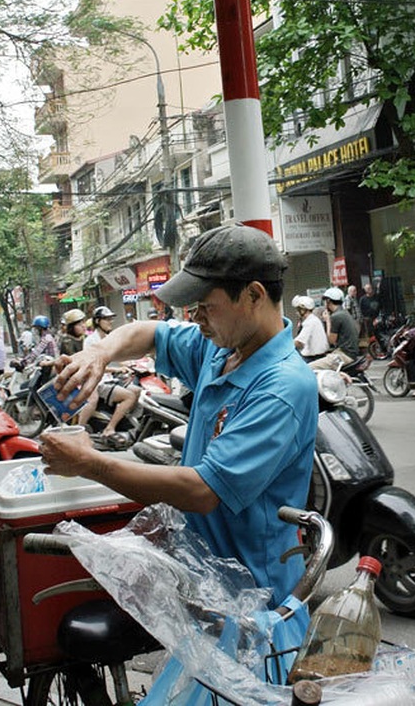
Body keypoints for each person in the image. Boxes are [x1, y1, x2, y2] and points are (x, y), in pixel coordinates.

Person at [41, 223, 318, 611]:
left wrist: (89, 464)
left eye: (206, 306)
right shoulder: (220, 350)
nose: (197, 318)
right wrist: (98, 354)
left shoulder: (282, 386)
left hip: (255, 592)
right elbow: (150, 333)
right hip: (204, 575)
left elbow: (202, 491)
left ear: (253, 295)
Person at [77, 306, 140, 439]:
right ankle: (110, 428)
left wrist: (129, 364)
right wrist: (116, 369)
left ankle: (123, 420)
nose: (110, 322)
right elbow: (94, 365)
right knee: (129, 396)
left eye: (111, 319)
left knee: (137, 390)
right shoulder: (91, 341)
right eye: (106, 319)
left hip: (108, 378)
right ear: (98, 321)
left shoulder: (108, 338)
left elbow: (119, 355)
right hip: (98, 381)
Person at [309, 287, 361, 370]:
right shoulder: (344, 313)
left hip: (343, 355)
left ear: (328, 301)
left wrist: (327, 321)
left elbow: (331, 340)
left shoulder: (336, 316)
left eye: (325, 301)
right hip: (350, 353)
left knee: (310, 367)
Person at [291, 296, 330, 361]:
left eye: (298, 309)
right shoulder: (313, 319)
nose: (296, 312)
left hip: (313, 358)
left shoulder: (309, 322)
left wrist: (285, 346)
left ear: (303, 310)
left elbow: (299, 342)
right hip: (318, 356)